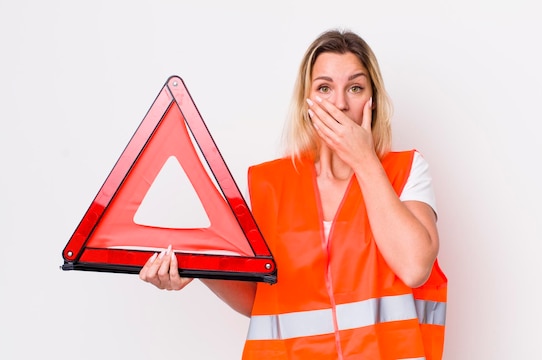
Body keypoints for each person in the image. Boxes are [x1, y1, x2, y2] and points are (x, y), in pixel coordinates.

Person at [139, 28, 447, 360]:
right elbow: (264, 301)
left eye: (355, 88)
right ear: (306, 101)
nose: (340, 104)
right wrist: (199, 268)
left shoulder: (406, 170)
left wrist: (364, 160)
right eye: (325, 88)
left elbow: (416, 267)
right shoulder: (270, 184)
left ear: (373, 100)